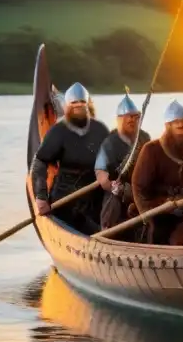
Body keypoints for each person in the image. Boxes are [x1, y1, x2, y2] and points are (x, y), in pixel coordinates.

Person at [30, 82, 110, 234]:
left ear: (88, 105)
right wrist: (41, 196)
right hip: (64, 201)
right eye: (74, 103)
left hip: (94, 199)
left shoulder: (100, 130)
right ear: (67, 106)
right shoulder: (58, 131)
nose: (78, 106)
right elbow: (40, 162)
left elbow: (111, 162)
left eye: (82, 102)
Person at [130, 99, 183, 245]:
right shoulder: (151, 150)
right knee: (160, 233)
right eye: (177, 125)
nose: (182, 128)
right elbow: (138, 186)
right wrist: (147, 213)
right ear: (168, 126)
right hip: (159, 210)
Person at [95, 90, 151, 239]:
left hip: (140, 190)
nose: (132, 121)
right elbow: (101, 173)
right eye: (128, 118)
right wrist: (113, 185)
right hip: (118, 191)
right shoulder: (109, 143)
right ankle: (106, 232)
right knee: (114, 199)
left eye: (134, 117)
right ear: (119, 119)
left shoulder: (144, 138)